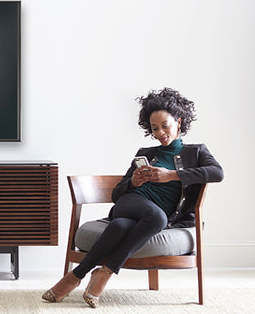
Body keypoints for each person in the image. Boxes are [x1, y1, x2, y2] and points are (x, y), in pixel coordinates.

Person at [42, 87, 223, 308]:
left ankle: (77, 276)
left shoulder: (196, 152)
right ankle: (105, 274)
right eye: (154, 128)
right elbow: (117, 194)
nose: (160, 133)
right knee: (155, 218)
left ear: (178, 121)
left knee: (119, 226)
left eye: (164, 126)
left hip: (150, 217)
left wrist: (172, 175)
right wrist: (134, 182)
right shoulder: (145, 153)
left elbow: (217, 173)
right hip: (130, 203)